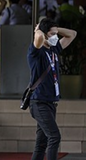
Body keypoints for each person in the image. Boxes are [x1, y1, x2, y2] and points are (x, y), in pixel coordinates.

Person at [27, 18, 76, 160]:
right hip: (39, 102)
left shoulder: (54, 49)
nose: (56, 37)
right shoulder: (36, 52)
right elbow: (39, 38)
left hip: (50, 103)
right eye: (52, 34)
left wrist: (54, 29)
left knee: (41, 143)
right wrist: (39, 30)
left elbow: (72, 34)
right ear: (44, 34)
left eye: (56, 34)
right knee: (54, 136)